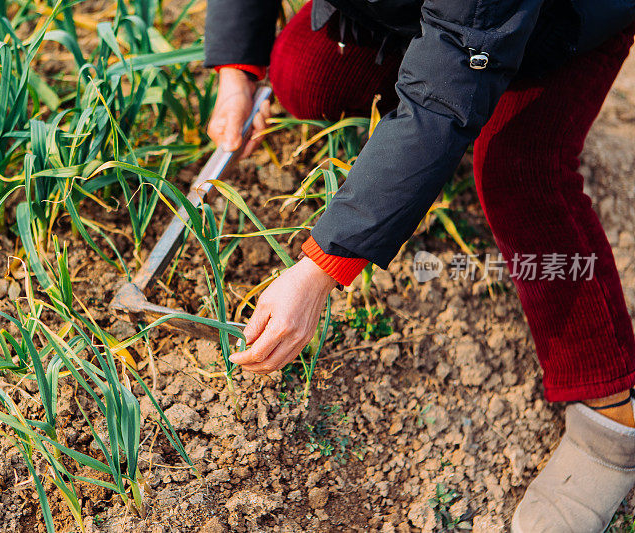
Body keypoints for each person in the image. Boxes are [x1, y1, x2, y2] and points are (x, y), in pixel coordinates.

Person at [203, 0, 635, 531]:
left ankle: (611, 419)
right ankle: (420, 133)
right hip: (445, 20)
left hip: (560, 17)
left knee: (516, 170)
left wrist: (320, 267)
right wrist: (235, 71)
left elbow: (444, 94)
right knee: (304, 77)